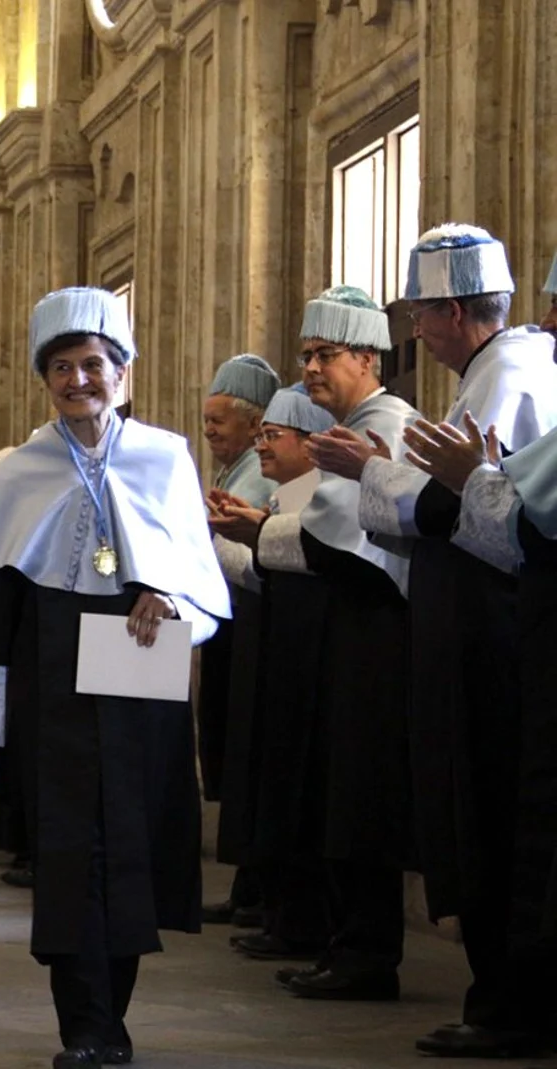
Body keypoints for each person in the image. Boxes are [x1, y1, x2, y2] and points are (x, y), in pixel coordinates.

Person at [0, 287, 229, 1069]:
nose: (79, 380)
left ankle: (115, 1016)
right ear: (46, 380)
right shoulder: (16, 471)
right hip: (53, 672)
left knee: (133, 842)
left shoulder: (165, 456)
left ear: (124, 372)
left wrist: (168, 593)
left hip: (139, 661)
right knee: (71, 850)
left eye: (94, 364)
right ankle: (84, 1025)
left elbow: (203, 584)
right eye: (62, 367)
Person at [335, 225, 557, 1058]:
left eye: (421, 313)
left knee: (499, 815)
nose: (414, 331)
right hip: (487, 626)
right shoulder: (492, 373)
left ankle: (508, 1003)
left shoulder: (512, 374)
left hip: (494, 634)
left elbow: (455, 507)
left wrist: (369, 471)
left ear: (456, 310)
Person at [259, 285, 418, 1003]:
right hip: (350, 628)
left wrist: (252, 537)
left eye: (324, 355)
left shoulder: (386, 425)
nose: (311, 369)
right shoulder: (351, 425)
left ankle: (366, 952)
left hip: (378, 633)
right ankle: (347, 943)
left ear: (365, 356)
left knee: (363, 792)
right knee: (341, 788)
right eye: (305, 356)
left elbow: (339, 540)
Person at [206, 384, 342, 967]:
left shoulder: (318, 495)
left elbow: (300, 561)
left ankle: (304, 922)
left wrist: (243, 535)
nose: (262, 447)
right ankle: (279, 910)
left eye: (272, 435)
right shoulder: (286, 495)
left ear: (312, 445)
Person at [196, 353, 280, 926]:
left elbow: (249, 552)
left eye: (218, 421)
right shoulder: (235, 470)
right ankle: (249, 884)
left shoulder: (259, 470)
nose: (208, 432)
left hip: (254, 624)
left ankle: (259, 887)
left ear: (255, 426)